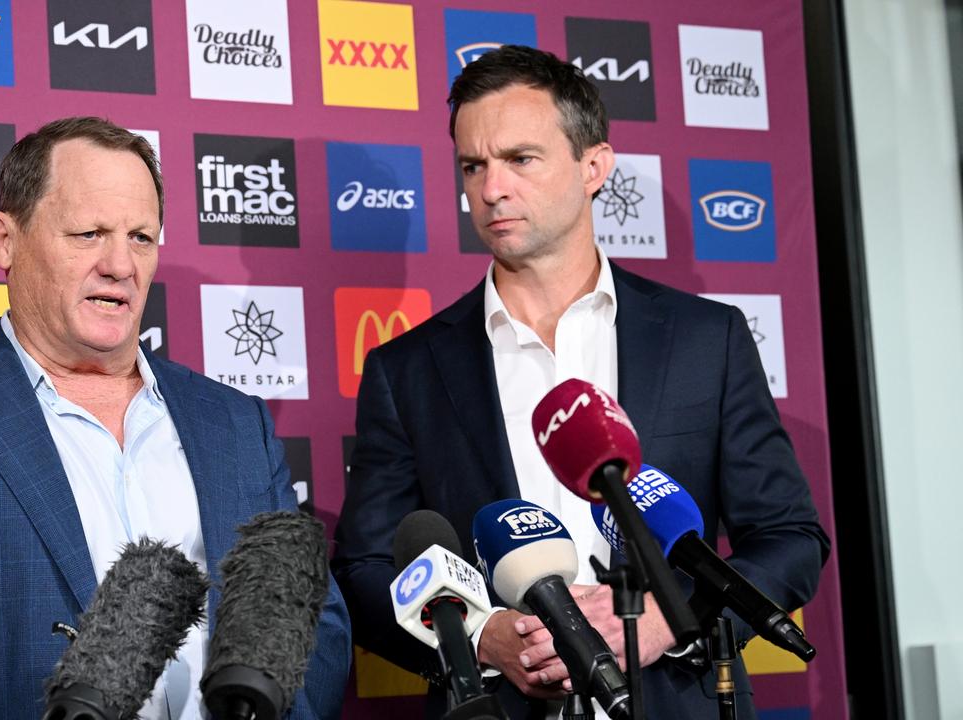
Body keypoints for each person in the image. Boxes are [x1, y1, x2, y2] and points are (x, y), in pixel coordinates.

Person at [331, 46, 829, 719]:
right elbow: (366, 571)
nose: (491, 188)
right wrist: (483, 637)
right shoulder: (407, 370)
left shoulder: (705, 340)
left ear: (594, 166)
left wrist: (663, 621)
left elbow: (790, 539)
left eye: (521, 159)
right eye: (473, 165)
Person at [0, 117, 351, 720]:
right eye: (88, 233)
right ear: (5, 240)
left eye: (141, 237)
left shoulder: (235, 423)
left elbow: (313, 622)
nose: (120, 265)